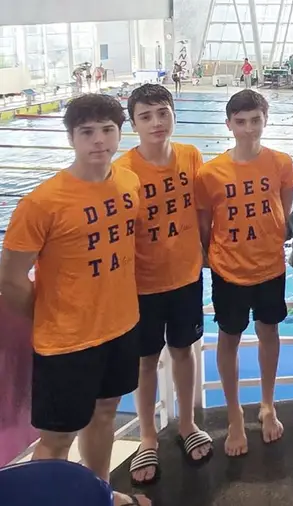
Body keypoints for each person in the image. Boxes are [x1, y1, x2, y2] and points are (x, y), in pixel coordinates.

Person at [0, 93, 150, 506]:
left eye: (107, 130)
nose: (99, 140)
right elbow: (11, 278)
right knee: (56, 439)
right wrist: (49, 314)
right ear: (71, 138)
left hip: (121, 327)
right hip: (66, 342)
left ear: (120, 133)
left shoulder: (128, 182)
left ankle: (98, 494)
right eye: (87, 132)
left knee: (104, 417)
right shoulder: (42, 203)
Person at [113, 84, 213, 486]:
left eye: (162, 113)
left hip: (186, 275)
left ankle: (187, 423)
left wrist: (206, 252)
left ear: (174, 114)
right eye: (146, 116)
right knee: (145, 361)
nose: (156, 122)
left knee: (184, 351)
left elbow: (202, 210)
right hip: (142, 283)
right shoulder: (122, 170)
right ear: (133, 123)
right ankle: (148, 437)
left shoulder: (191, 155)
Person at [195, 89, 293, 457]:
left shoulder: (282, 163)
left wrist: (273, 241)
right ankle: (235, 414)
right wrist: (213, 258)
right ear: (229, 125)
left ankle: (267, 404)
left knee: (269, 332)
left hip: (270, 266)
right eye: (240, 122)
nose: (248, 129)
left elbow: (283, 215)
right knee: (229, 338)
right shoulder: (210, 173)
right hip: (229, 270)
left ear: (265, 121)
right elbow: (205, 226)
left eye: (255, 120)